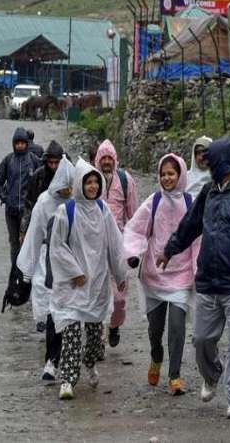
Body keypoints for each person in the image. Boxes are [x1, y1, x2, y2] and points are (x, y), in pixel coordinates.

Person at [158, 137, 230, 419]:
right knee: (200, 340)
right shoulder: (208, 192)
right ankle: (212, 375)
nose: (208, 166)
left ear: (225, 162)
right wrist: (170, 250)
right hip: (208, 282)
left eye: (212, 161)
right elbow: (190, 225)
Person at [48, 159, 128, 400]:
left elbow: (114, 245)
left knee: (94, 334)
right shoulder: (66, 212)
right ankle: (68, 379)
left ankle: (90, 361)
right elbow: (57, 247)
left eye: (95, 182)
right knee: (71, 331)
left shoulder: (103, 211)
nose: (92, 186)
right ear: (78, 185)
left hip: (97, 284)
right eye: (88, 182)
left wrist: (120, 274)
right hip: (73, 285)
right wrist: (76, 271)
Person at [123, 153, 198, 396]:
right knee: (155, 329)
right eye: (163, 174)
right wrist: (134, 254)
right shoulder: (153, 202)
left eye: (171, 173)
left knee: (177, 327)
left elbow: (199, 240)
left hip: (182, 276)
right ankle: (156, 356)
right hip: (155, 275)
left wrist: (199, 269)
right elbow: (135, 229)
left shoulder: (191, 204)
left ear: (181, 175)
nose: (167, 178)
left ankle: (174, 376)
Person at [17, 155, 75, 383]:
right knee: (54, 312)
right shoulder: (43, 203)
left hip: (78, 269)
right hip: (51, 264)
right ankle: (52, 360)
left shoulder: (83, 202)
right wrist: (27, 272)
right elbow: (34, 237)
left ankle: (77, 362)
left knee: (74, 317)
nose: (68, 191)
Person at [94, 139, 138, 348]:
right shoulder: (90, 181)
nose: (106, 162)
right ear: (97, 160)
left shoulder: (125, 180)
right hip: (96, 246)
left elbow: (134, 217)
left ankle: (114, 325)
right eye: (103, 158)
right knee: (99, 293)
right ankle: (99, 340)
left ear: (115, 160)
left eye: (109, 158)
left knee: (119, 297)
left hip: (119, 246)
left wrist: (134, 246)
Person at [0, 127, 40, 282]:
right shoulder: (8, 160)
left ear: (27, 143)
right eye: (17, 143)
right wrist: (5, 197)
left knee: (28, 243)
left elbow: (42, 178)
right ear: (13, 144)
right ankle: (15, 274)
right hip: (11, 211)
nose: (20, 146)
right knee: (14, 244)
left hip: (28, 211)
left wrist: (36, 200)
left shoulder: (34, 160)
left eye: (22, 143)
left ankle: (28, 276)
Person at [20, 140, 67, 240]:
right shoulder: (38, 176)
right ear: (46, 161)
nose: (54, 166)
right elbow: (29, 203)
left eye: (56, 162)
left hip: (64, 223)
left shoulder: (69, 176)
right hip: (42, 223)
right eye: (51, 162)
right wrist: (23, 230)